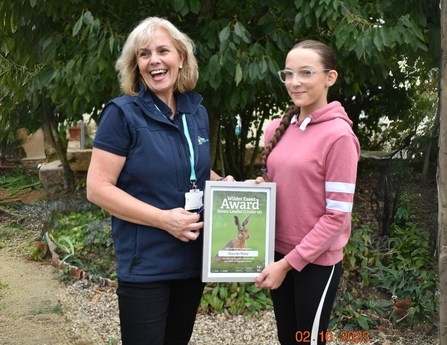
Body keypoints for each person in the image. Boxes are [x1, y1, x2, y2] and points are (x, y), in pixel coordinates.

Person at [86, 16, 231, 345]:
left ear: (181, 57)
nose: (154, 60)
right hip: (147, 266)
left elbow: (192, 169)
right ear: (136, 65)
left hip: (193, 261)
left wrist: (230, 187)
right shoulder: (122, 114)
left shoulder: (196, 112)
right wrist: (165, 220)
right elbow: (97, 188)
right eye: (144, 54)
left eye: (162, 50)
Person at [254, 40, 361, 345]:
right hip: (277, 253)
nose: (294, 82)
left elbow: (337, 216)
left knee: (308, 340)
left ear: (330, 77)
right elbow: (286, 184)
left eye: (305, 73)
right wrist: (260, 188)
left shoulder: (339, 136)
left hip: (315, 262)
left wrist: (287, 264)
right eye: (288, 74)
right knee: (288, 338)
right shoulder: (277, 127)